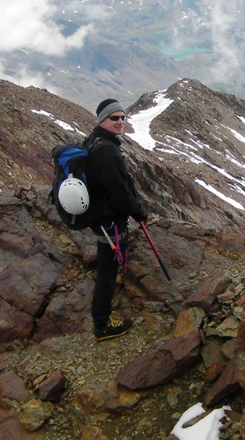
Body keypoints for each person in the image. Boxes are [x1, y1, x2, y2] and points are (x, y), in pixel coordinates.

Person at [84, 98, 148, 341]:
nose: (120, 121)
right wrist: (139, 212)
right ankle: (102, 325)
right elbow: (119, 192)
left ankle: (102, 318)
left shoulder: (96, 141)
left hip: (102, 217)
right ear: (102, 120)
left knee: (107, 268)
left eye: (123, 117)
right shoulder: (106, 151)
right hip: (110, 221)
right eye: (114, 118)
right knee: (107, 272)